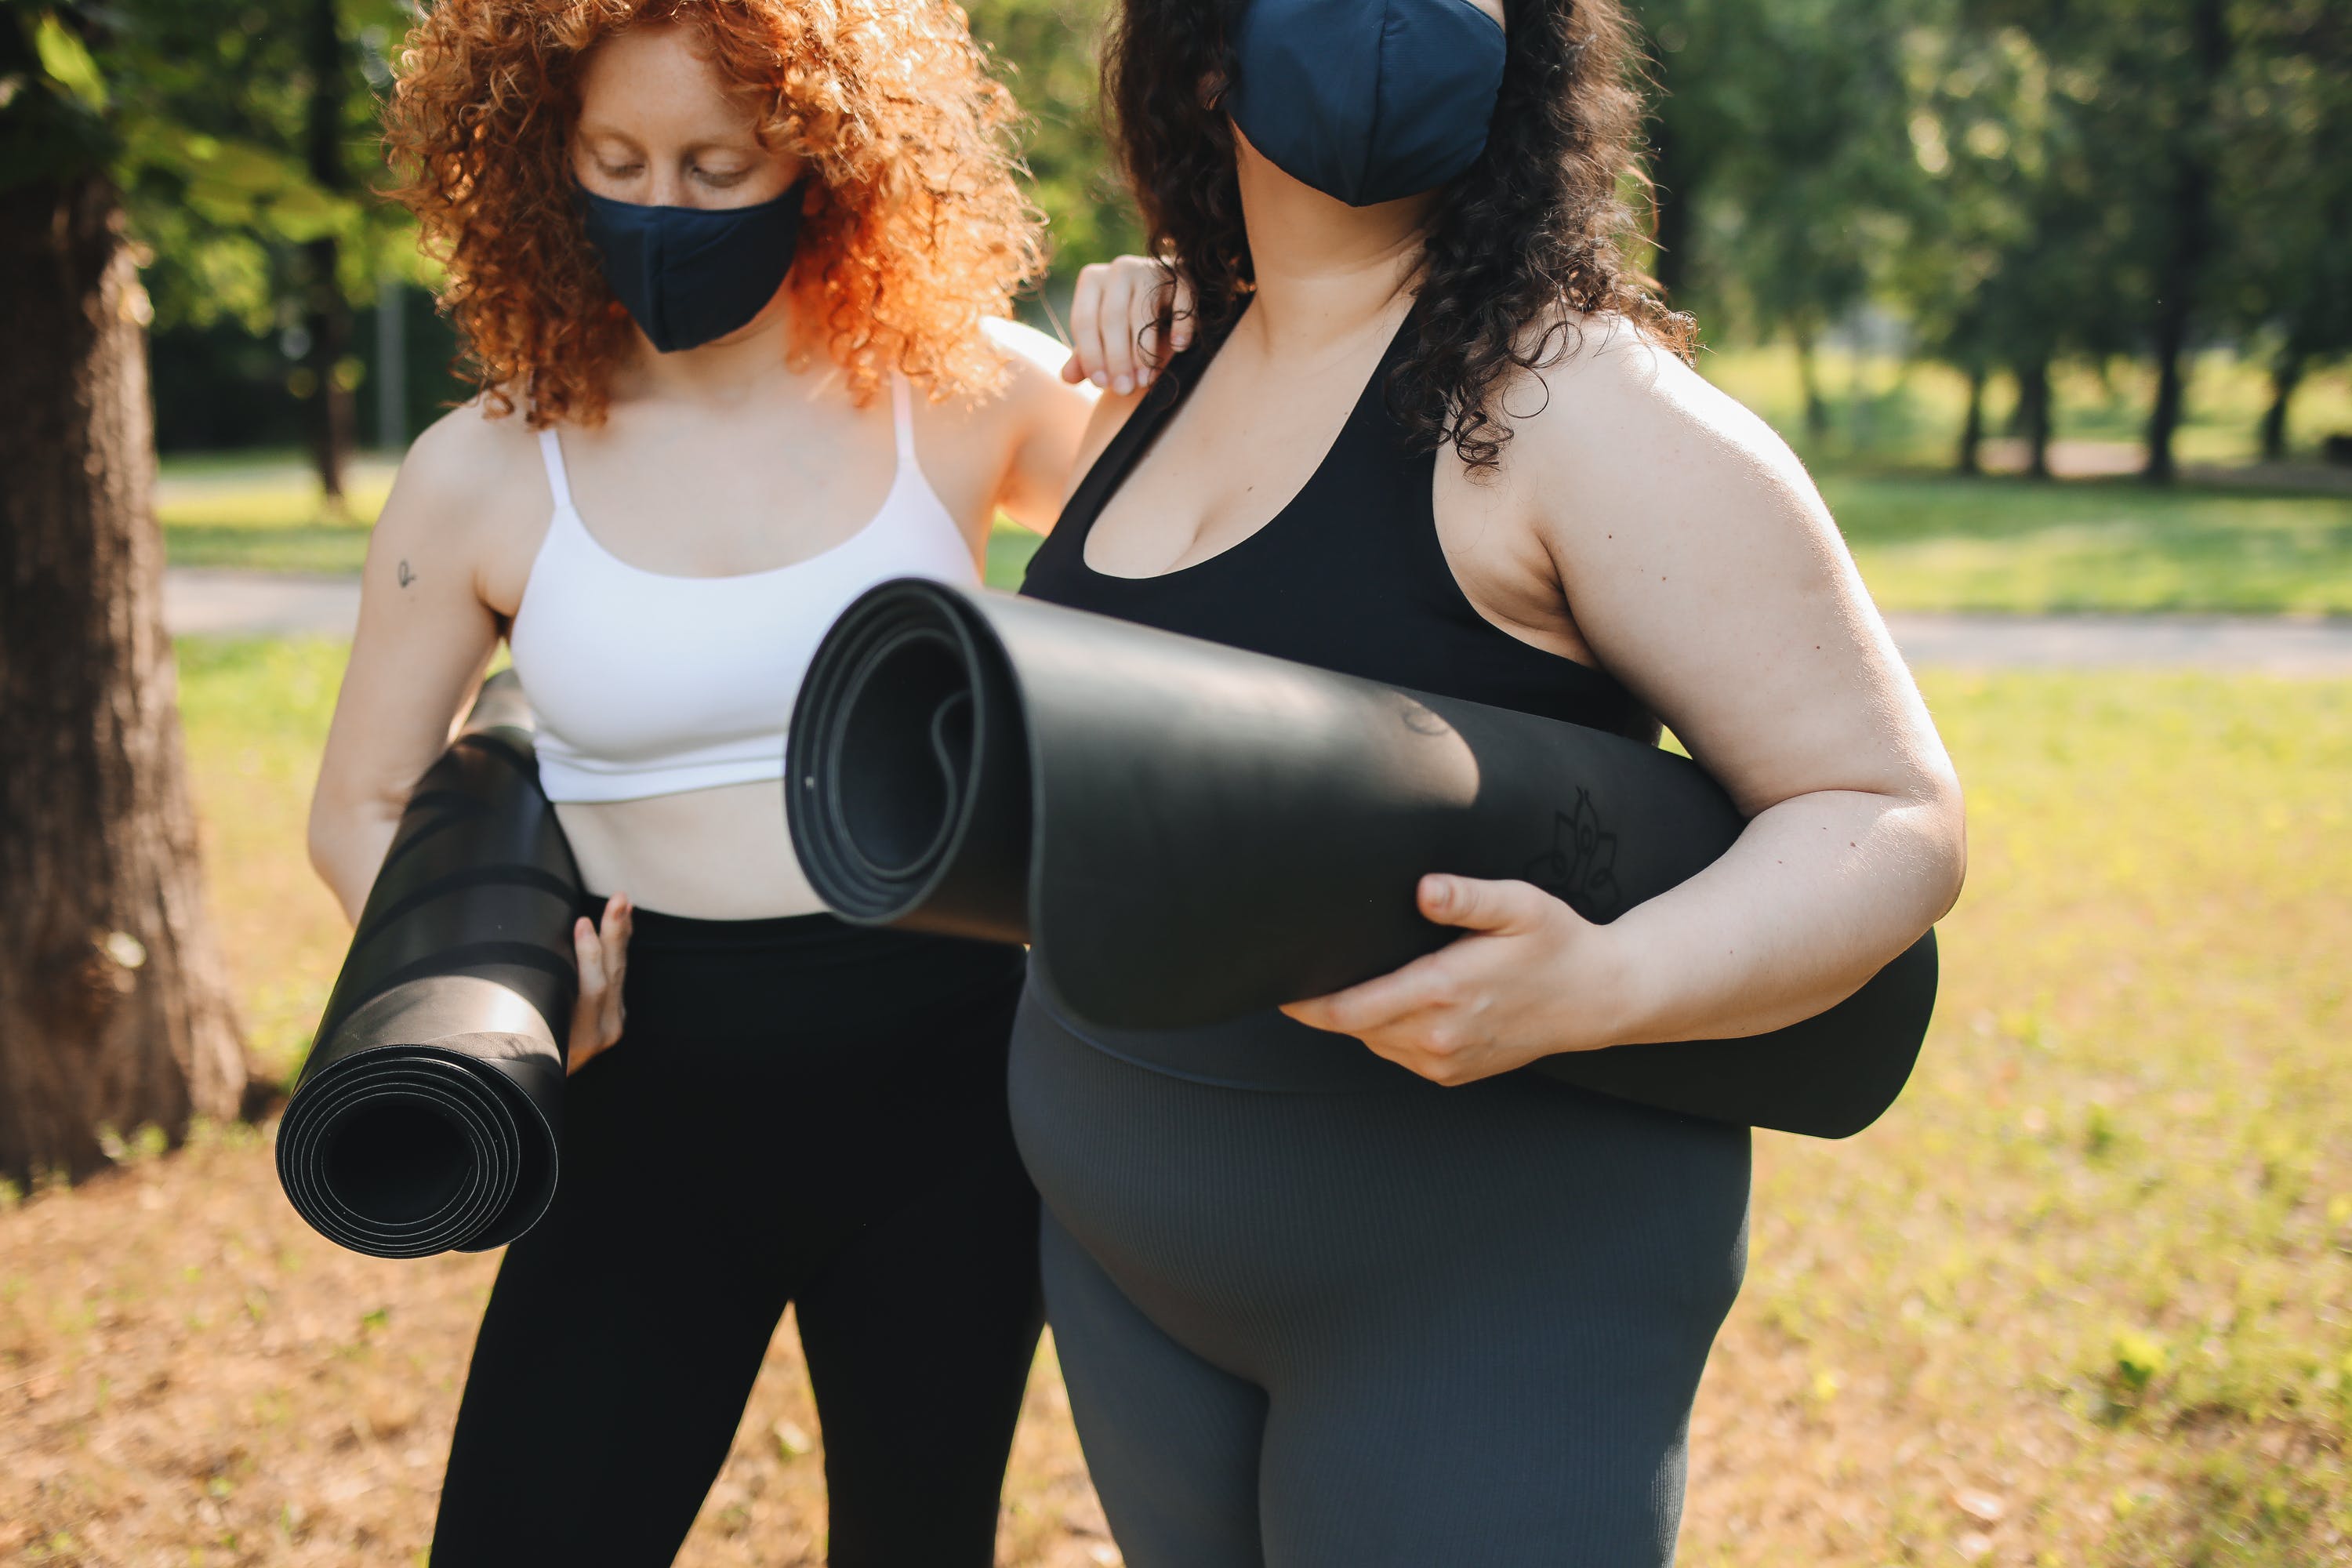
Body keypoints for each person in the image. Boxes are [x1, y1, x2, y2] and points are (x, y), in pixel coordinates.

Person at [1007, 0, 1969, 1562]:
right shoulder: (1176, 352)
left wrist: (1607, 981)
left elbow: (1892, 814)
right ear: (1204, 54)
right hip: (1129, 1270)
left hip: (1476, 1293)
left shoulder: (1568, 402)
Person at [305, 1, 1182, 1561]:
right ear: (538, 160)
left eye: (721, 164)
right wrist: (502, 995)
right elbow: (359, 804)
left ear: (828, 160)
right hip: (639, 1097)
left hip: (954, 1096)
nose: (666, 208)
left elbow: (1215, 479)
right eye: (619, 160)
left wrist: (1162, 311)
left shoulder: (962, 391)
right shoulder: (488, 464)